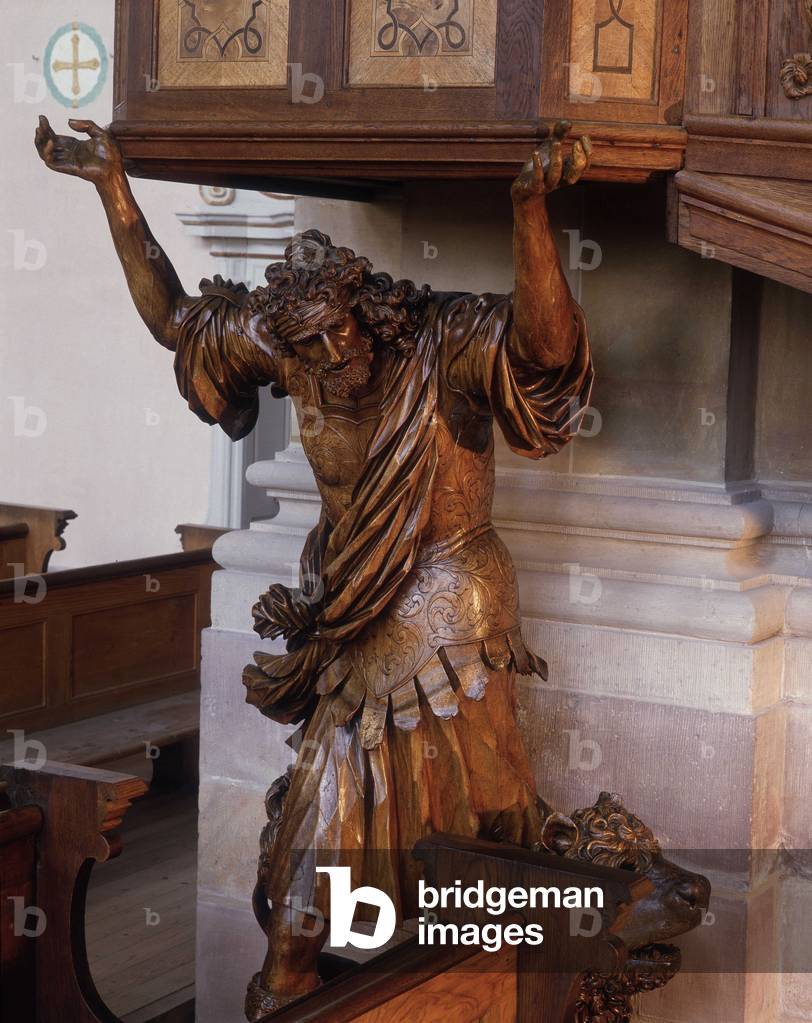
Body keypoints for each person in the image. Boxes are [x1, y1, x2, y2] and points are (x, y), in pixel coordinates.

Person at [34, 114, 593, 1018]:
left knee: (446, 827)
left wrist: (530, 214)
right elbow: (176, 322)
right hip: (355, 618)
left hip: (452, 614)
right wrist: (114, 189)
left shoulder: (437, 343)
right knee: (346, 848)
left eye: (341, 335)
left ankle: (425, 988)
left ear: (364, 314)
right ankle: (345, 983)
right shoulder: (289, 348)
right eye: (310, 347)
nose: (335, 359)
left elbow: (546, 350)